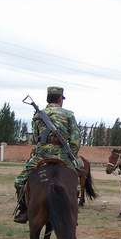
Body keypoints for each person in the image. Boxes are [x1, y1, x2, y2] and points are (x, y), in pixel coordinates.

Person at [13, 86, 81, 223]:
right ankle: (72, 212)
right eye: (62, 98)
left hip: (41, 155)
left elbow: (35, 139)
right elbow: (75, 140)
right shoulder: (68, 114)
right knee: (76, 185)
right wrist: (69, 154)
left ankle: (24, 210)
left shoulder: (38, 115)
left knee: (19, 181)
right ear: (60, 99)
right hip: (62, 155)